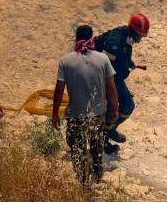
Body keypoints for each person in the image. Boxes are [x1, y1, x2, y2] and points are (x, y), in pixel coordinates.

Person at [52, 25, 119, 186]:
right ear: (91, 39)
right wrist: (115, 109)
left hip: (75, 116)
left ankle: (83, 182)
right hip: (97, 115)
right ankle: (96, 179)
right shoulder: (102, 59)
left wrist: (55, 113)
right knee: (96, 150)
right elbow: (111, 87)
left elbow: (59, 89)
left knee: (78, 150)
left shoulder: (65, 60)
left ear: (76, 38)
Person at [94, 13, 150, 154]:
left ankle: (105, 135)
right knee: (125, 105)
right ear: (133, 31)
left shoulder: (127, 38)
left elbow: (122, 55)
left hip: (114, 77)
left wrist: (128, 63)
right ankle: (107, 131)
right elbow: (105, 63)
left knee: (124, 106)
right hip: (106, 78)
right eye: (139, 36)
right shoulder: (115, 39)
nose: (139, 40)